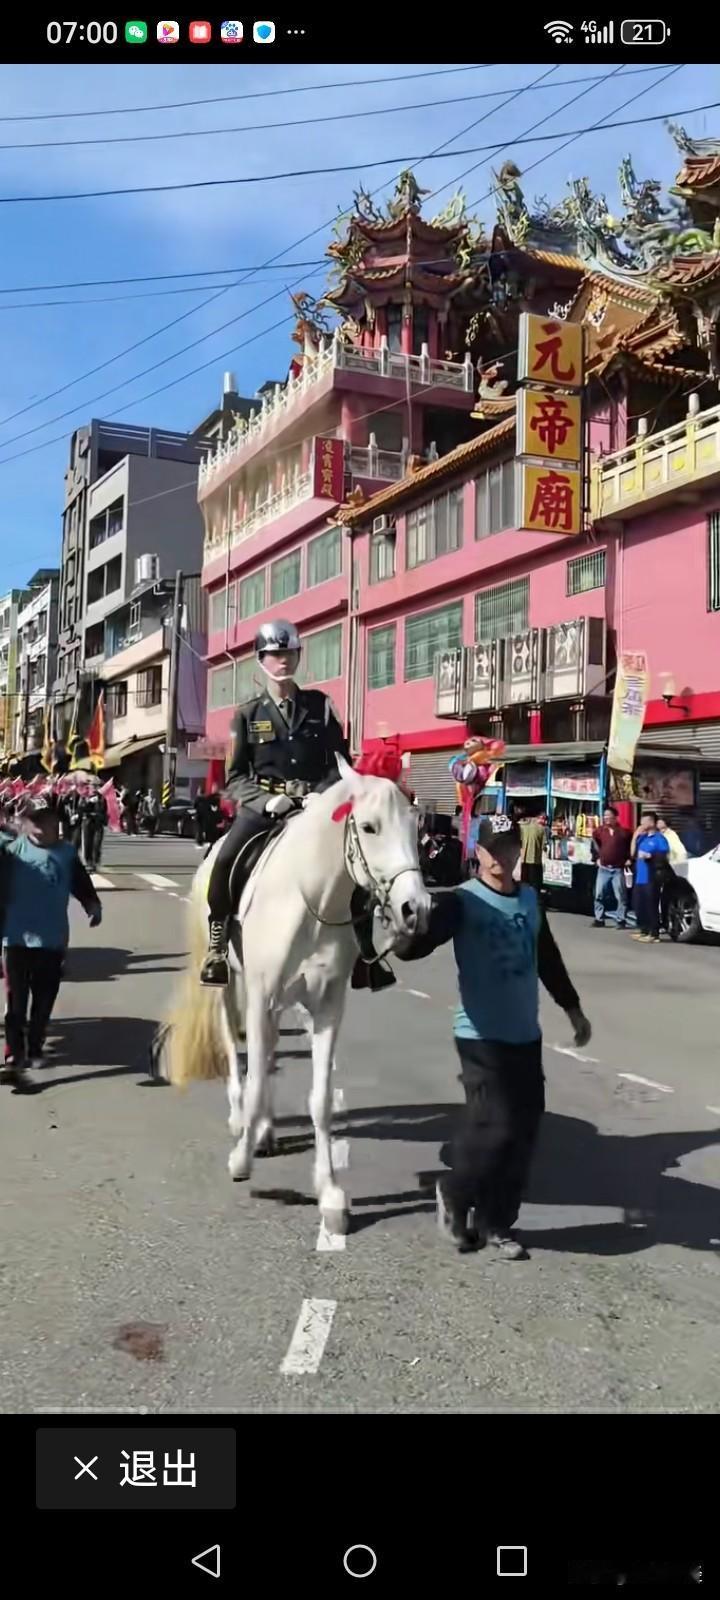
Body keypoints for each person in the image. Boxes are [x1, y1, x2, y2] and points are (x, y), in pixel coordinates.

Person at [396, 813, 591, 1260]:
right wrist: (407, 932)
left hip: (525, 1035)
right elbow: (417, 945)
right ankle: (454, 1191)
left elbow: (548, 958)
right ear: (477, 852)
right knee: (494, 1124)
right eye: (493, 849)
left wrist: (573, 1009)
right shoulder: (461, 902)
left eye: (509, 848)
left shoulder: (528, 900)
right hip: (480, 1036)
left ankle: (497, 1223)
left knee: (523, 1133)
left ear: (517, 851)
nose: (502, 857)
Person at [200, 617, 386, 991]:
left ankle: (365, 951)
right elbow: (235, 778)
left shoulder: (320, 707)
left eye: (289, 653)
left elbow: (341, 763)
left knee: (357, 862)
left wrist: (324, 793)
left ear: (299, 656)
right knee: (225, 859)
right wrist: (268, 802)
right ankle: (217, 943)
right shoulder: (246, 715)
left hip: (316, 804)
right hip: (265, 807)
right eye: (274, 654)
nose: (283, 660)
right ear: (260, 659)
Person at [0, 792, 102, 1090]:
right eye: (37, 821)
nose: (45, 828)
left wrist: (92, 905)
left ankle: (35, 1045)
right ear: (25, 823)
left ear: (60, 822)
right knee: (16, 1003)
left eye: (50, 821)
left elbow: (81, 884)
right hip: (16, 939)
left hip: (53, 940)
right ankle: (14, 1055)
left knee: (43, 1001)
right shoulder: (11, 851)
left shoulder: (67, 854)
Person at [631, 809, 670, 943]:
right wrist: (635, 836)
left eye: (645, 820)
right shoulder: (642, 837)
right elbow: (632, 853)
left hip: (652, 877)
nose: (642, 823)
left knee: (651, 904)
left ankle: (654, 933)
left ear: (652, 823)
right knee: (639, 904)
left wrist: (650, 856)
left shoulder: (659, 839)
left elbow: (664, 855)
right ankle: (644, 930)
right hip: (640, 876)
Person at [591, 804, 632, 928]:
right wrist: (596, 859)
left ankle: (621, 919)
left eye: (609, 816)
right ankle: (599, 918)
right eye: (605, 816)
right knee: (599, 894)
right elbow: (594, 846)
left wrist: (630, 859)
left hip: (618, 869)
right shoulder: (599, 832)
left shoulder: (624, 833)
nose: (606, 818)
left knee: (620, 895)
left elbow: (631, 846)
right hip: (603, 868)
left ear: (616, 817)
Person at [79, 774, 108, 872]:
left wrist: (104, 819)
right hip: (88, 822)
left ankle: (95, 862)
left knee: (97, 844)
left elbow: (105, 810)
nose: (96, 788)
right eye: (94, 785)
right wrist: (89, 802)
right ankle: (88, 862)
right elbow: (81, 809)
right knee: (87, 843)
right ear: (89, 786)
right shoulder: (84, 796)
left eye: (98, 786)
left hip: (98, 823)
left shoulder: (102, 798)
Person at [517, 808, 546, 895]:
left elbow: (519, 841)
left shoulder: (522, 827)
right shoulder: (541, 829)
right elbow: (543, 846)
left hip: (524, 860)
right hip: (536, 860)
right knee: (535, 885)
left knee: (524, 883)